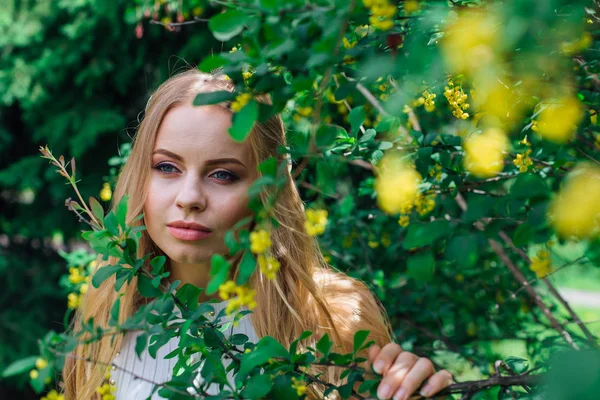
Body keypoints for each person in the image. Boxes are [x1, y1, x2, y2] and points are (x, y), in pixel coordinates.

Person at [62, 69, 453, 400]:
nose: (189, 198)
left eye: (223, 174)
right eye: (167, 167)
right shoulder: (109, 315)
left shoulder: (335, 322)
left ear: (267, 192)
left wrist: (408, 386)